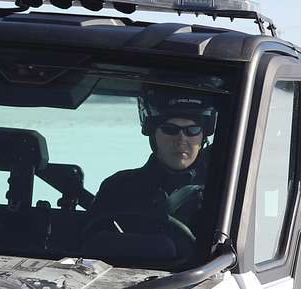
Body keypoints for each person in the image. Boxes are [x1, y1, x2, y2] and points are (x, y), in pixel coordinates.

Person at [91, 93, 218, 229]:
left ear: (203, 137)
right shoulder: (118, 188)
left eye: (192, 130)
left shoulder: (222, 193)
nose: (181, 140)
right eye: (169, 130)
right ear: (153, 135)